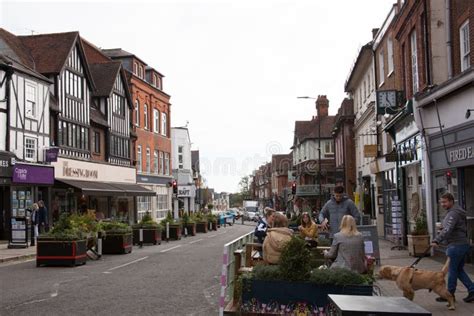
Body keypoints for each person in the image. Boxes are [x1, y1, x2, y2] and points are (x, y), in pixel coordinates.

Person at [431, 192, 474, 303]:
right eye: (441, 202)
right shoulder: (455, 212)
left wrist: (437, 240)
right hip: (461, 244)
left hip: (456, 245)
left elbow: (447, 230)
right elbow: (450, 228)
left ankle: (449, 294)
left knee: (452, 271)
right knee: (459, 270)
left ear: (451, 201)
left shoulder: (453, 213)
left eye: (444, 202)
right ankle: (472, 291)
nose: (442, 204)